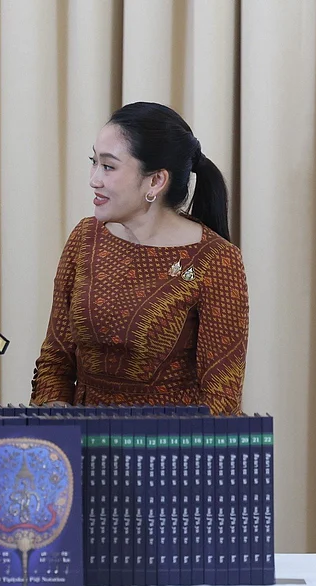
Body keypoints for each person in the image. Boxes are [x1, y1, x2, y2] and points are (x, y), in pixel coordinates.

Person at [30, 102, 248, 415]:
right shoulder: (85, 237)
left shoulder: (216, 260)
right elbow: (55, 360)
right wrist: (58, 420)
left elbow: (221, 401)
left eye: (108, 167)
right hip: (79, 436)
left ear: (156, 181)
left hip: (169, 442)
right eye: (94, 162)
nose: (94, 179)